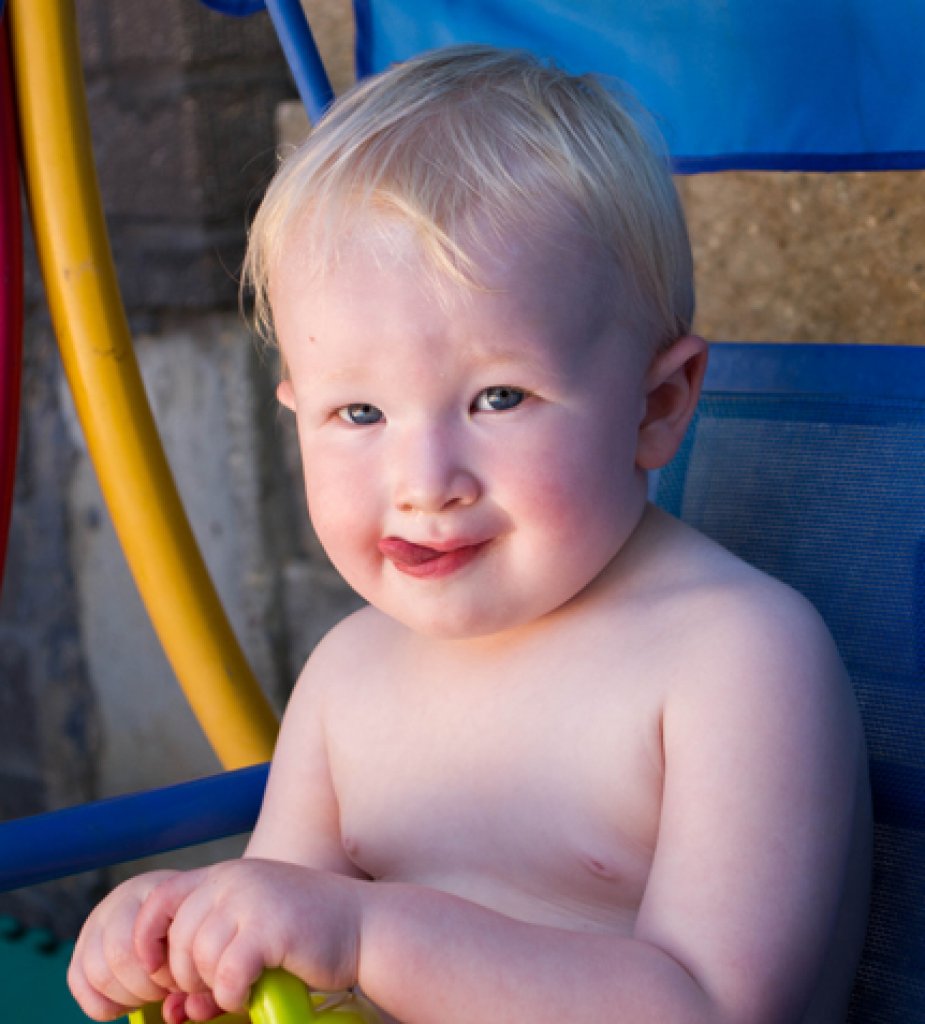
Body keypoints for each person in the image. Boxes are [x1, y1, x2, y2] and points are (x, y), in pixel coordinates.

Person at [68, 45, 872, 1024]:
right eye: (358, 414)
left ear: (656, 405)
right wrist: (186, 946)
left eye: (498, 397)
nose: (423, 482)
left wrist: (364, 934)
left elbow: (707, 1007)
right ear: (296, 415)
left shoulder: (734, 660)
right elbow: (285, 945)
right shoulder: (347, 675)